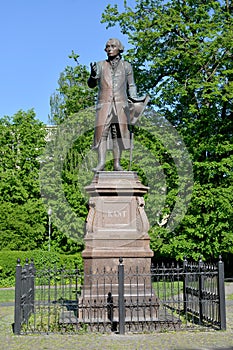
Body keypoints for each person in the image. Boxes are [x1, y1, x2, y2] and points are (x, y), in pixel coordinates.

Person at [88, 38, 147, 172]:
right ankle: (101, 163)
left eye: (112, 46)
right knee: (102, 133)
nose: (109, 49)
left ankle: (117, 164)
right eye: (107, 46)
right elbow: (92, 85)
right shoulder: (100, 65)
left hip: (121, 104)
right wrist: (92, 76)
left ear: (119, 48)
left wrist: (135, 99)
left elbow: (131, 85)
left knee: (118, 134)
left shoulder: (127, 66)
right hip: (104, 104)